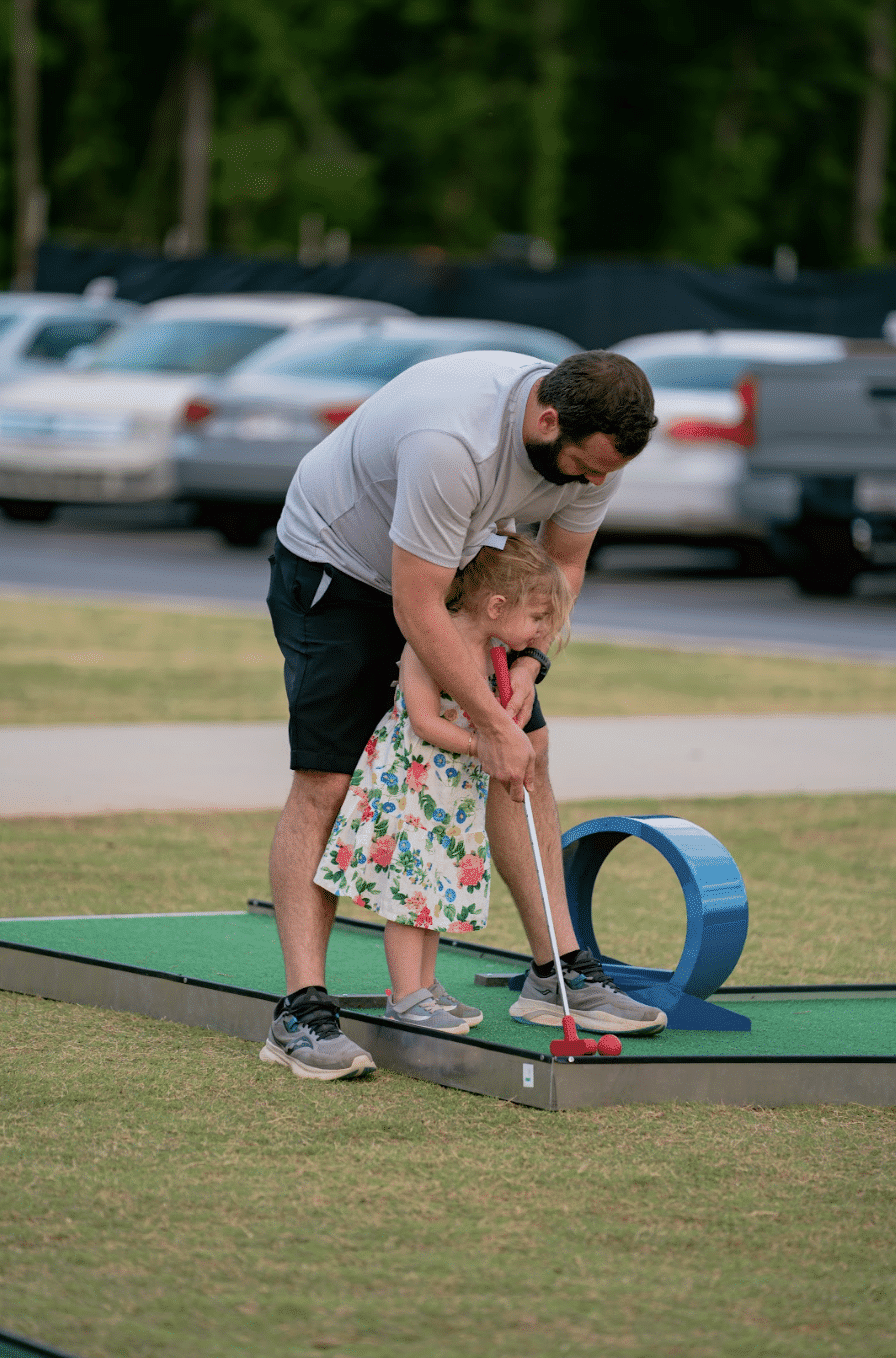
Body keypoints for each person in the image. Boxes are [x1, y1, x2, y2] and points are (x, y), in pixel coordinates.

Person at [260, 348, 667, 1083]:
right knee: (328, 779)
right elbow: (414, 603)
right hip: (340, 569)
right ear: (547, 420)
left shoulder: (593, 449)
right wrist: (490, 724)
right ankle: (300, 1012)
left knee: (529, 754)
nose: (595, 484)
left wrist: (530, 664)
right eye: (584, 467)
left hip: (463, 575)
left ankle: (559, 974)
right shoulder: (454, 441)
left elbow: (562, 566)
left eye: (608, 473)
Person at [310, 533, 573, 1037]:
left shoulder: (495, 651)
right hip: (413, 787)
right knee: (412, 890)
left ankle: (425, 987)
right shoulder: (432, 643)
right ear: (497, 605)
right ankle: (406, 995)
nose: (542, 630)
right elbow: (424, 722)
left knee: (434, 889)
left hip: (450, 793)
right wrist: (483, 746)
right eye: (538, 618)